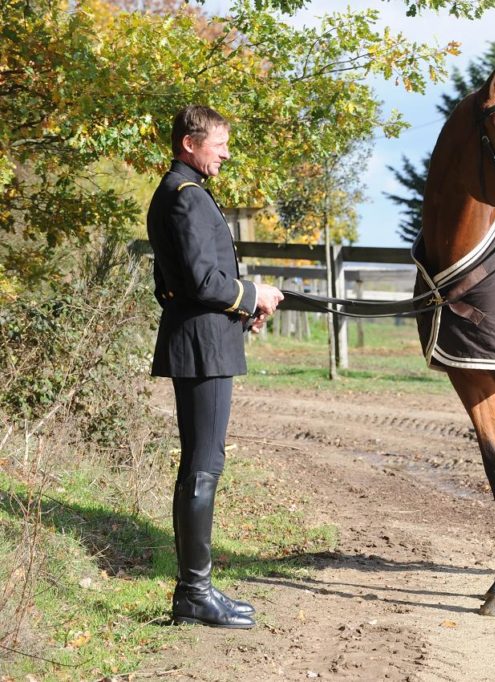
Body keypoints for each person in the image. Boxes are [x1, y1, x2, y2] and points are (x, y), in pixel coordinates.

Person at [148, 105, 284, 629]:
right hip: (200, 347)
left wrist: (247, 308)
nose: (226, 153)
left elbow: (194, 282)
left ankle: (197, 590)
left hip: (208, 339)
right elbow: (203, 283)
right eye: (219, 144)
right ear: (189, 144)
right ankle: (193, 594)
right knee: (204, 464)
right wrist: (254, 293)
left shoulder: (186, 194)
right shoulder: (184, 199)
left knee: (205, 462)